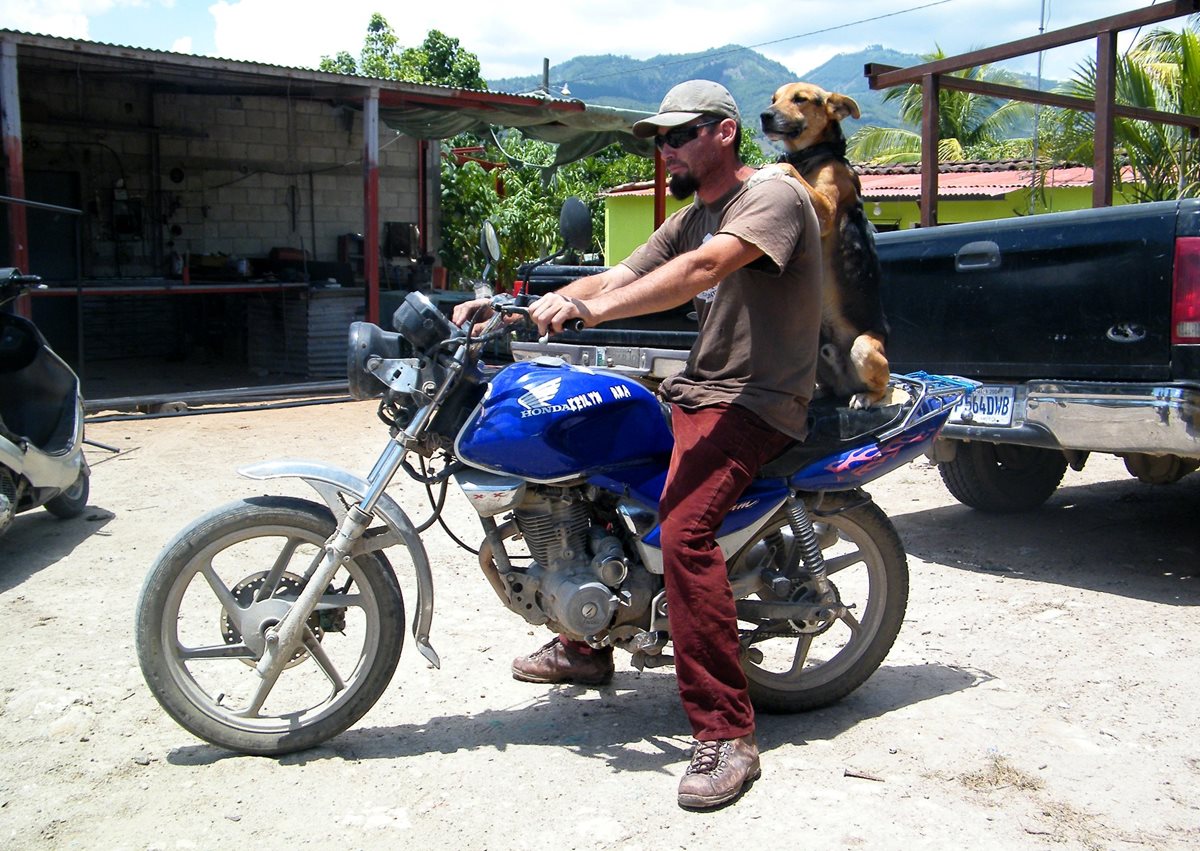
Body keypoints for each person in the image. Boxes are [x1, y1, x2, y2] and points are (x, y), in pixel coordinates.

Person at [454, 79, 822, 809]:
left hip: (758, 401)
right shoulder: (693, 215)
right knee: (586, 467)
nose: (665, 149)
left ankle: (727, 733)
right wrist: (521, 307)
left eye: (679, 134)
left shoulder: (772, 197)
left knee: (684, 532)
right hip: (699, 390)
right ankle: (587, 641)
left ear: (723, 133)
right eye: (659, 137)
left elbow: (700, 272)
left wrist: (588, 312)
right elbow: (620, 273)